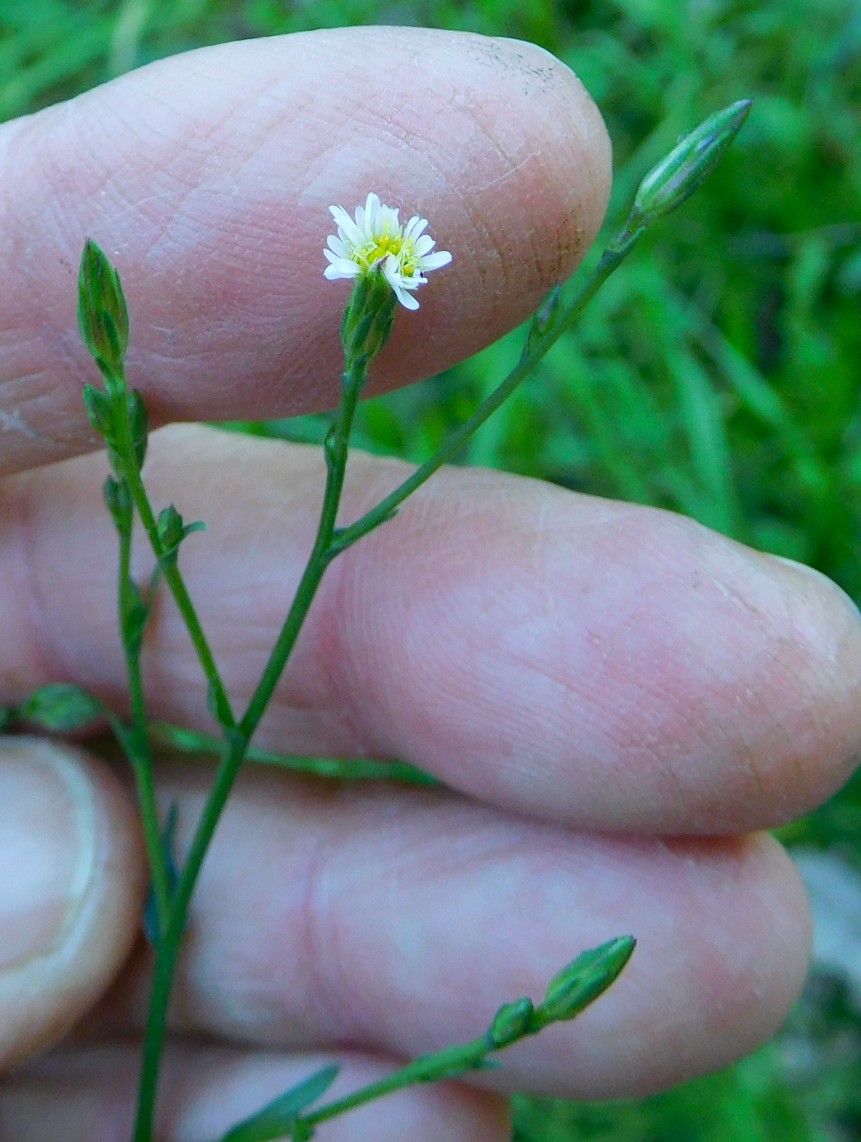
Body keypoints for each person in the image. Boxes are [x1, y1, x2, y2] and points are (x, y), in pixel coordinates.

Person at [0, 26, 858, 1141]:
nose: (387, 255)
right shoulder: (357, 291)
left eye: (388, 258)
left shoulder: (377, 289)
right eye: (383, 256)